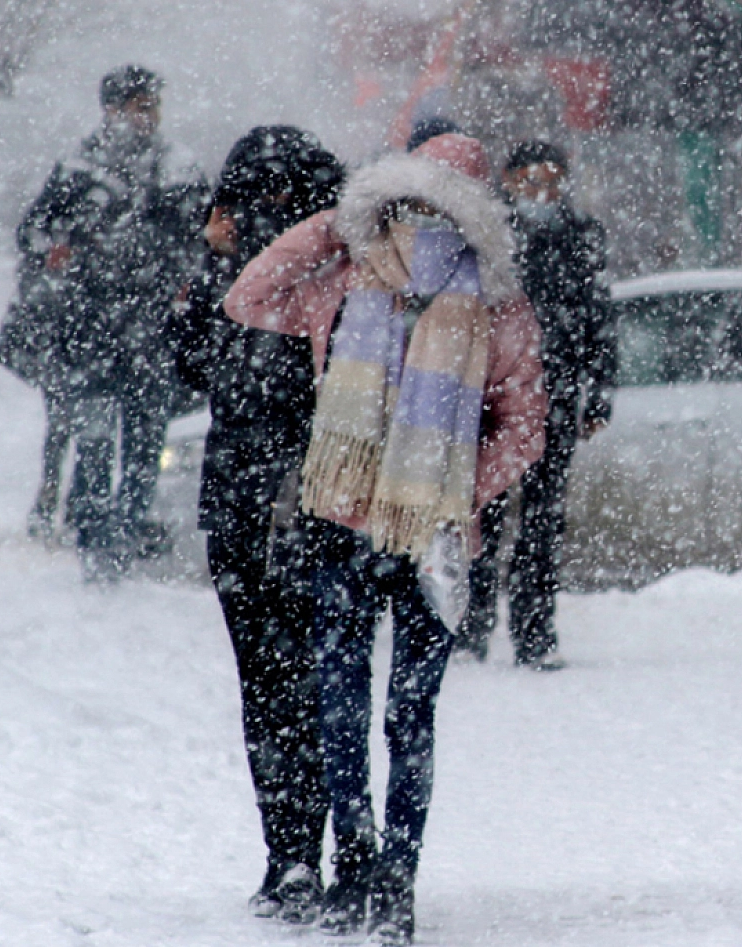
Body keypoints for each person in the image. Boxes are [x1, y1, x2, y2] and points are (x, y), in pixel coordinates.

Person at [226, 134, 546, 945]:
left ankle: (375, 870)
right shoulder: (367, 279)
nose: (417, 217)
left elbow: (525, 426)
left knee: (372, 707)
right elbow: (247, 295)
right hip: (383, 532)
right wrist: (339, 224)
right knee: (383, 711)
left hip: (397, 534)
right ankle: (379, 871)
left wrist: (446, 491)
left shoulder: (462, 297)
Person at [167, 126, 344, 924]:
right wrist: (210, 262)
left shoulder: (330, 271)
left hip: (309, 498)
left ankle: (312, 849)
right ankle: (293, 851)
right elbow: (187, 363)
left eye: (278, 196)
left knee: (302, 682)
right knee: (274, 684)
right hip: (250, 502)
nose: (264, 212)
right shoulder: (234, 275)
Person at [15, 65, 208, 579]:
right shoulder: (77, 170)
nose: (150, 116)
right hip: (90, 333)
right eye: (140, 107)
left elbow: (203, 239)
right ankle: (96, 546)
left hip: (151, 333)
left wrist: (187, 278)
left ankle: (123, 541)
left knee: (145, 449)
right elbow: (31, 233)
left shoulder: (178, 168)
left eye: (153, 106)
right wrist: (55, 248)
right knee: (96, 445)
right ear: (113, 110)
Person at [453, 140, 615, 669]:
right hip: (494, 397)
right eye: (531, 181)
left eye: (552, 182)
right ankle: (471, 627)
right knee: (484, 514)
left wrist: (599, 395)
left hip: (555, 395)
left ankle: (535, 633)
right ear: (509, 180)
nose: (542, 193)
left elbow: (599, 316)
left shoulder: (581, 235)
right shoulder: (486, 232)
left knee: (543, 521)